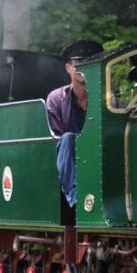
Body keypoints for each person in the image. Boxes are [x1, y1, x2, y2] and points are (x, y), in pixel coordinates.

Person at [46, 39, 103, 208]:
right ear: (68, 67)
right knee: (68, 138)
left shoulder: (107, 99)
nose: (83, 68)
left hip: (98, 153)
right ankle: (75, 197)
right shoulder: (56, 98)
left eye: (89, 63)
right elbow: (56, 139)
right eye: (78, 63)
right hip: (68, 159)